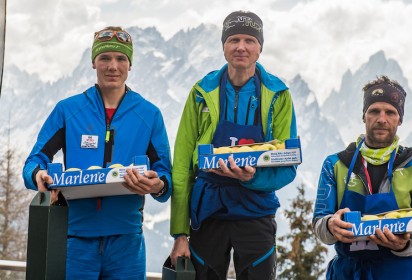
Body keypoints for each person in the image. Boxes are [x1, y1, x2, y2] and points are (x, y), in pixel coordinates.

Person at [22, 26, 172, 279]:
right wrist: (38, 176)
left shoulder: (149, 114)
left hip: (127, 242)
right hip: (75, 240)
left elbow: (166, 176)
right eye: (105, 58)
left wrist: (157, 185)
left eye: (121, 58)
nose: (113, 66)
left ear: (130, 64)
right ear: (94, 62)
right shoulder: (68, 110)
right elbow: (34, 161)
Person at [169, 11, 298, 280]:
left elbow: (288, 165)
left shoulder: (278, 95)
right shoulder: (201, 93)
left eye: (250, 40)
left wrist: (253, 178)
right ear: (224, 46)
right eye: (234, 39)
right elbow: (181, 167)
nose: (241, 47)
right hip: (208, 214)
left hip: (256, 212)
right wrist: (180, 233)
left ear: (260, 48)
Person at [312, 75, 412, 279]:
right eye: (374, 111)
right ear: (364, 116)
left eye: (390, 112)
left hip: (401, 272)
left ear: (400, 119)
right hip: (348, 272)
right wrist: (330, 225)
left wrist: (404, 245)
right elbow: (319, 222)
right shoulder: (335, 164)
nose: (382, 119)